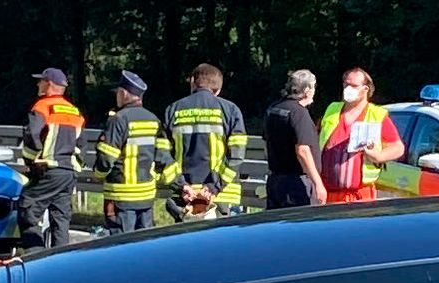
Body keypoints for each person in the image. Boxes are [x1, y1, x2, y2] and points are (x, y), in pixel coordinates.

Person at [166, 62, 245, 219]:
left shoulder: (173, 110)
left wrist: (181, 185)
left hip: (186, 196)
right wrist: (213, 187)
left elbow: (163, 155)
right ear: (218, 90)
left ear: (192, 82)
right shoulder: (230, 110)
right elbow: (236, 156)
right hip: (220, 196)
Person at [94, 70, 168, 233]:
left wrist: (98, 175)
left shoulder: (118, 119)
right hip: (146, 197)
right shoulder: (153, 119)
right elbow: (162, 156)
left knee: (121, 247)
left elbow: (107, 158)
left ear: (123, 93)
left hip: (121, 197)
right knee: (144, 245)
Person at [19, 68, 84, 249]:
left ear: (49, 84)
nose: (38, 84)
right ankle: (59, 263)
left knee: (28, 209)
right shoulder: (75, 112)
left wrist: (31, 162)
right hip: (68, 173)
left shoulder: (41, 107)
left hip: (48, 170)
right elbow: (81, 144)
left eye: (41, 81)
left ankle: (34, 256)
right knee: (60, 220)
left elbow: (32, 137)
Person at [321, 67, 394, 199]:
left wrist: (378, 156)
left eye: (354, 85)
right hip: (329, 194)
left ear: (366, 89)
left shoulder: (377, 114)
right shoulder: (332, 109)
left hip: (361, 195)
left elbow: (398, 147)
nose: (348, 89)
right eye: (346, 84)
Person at [261, 69, 327, 208]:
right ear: (307, 90)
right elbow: (302, 150)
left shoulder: (273, 108)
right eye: (314, 87)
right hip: (296, 183)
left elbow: (266, 142)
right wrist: (318, 183)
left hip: (275, 180)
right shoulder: (299, 113)